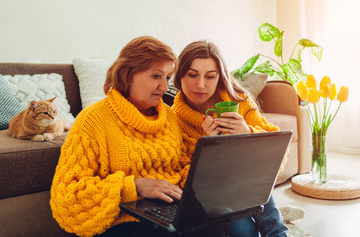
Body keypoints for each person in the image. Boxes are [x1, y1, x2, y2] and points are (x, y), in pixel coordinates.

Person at [50, 36, 191, 237]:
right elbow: (67, 197)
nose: (164, 86)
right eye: (156, 76)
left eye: (167, 77)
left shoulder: (170, 116)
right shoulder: (93, 119)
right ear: (127, 75)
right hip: (122, 221)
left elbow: (182, 167)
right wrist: (133, 186)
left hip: (170, 214)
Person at [171, 40, 288, 237]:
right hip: (214, 197)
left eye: (210, 76)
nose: (200, 85)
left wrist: (247, 134)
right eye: (192, 75)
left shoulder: (238, 100)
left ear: (219, 78)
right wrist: (209, 149)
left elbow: (278, 153)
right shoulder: (173, 118)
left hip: (249, 182)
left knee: (272, 224)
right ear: (179, 75)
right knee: (243, 232)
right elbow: (184, 180)